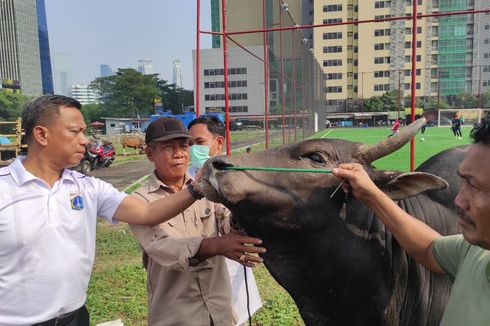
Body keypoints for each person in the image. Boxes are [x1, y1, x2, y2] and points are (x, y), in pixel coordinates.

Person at [0, 95, 202, 326]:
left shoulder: (87, 187)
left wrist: (198, 187)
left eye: (83, 131)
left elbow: (147, 213)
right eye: (75, 132)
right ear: (42, 134)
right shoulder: (3, 188)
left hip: (75, 318)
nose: (84, 140)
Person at [332, 115, 490, 326]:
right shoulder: (477, 252)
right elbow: (428, 247)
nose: (459, 201)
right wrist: (371, 193)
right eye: (463, 182)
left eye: (475, 186)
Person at [129, 117, 266, 326]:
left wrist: (239, 215)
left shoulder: (206, 189)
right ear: (150, 153)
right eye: (168, 148)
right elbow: (162, 247)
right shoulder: (140, 202)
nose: (179, 154)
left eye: (184, 146)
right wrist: (218, 245)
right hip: (177, 316)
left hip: (219, 312)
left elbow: (225, 219)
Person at [187, 115, 263, 325]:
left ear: (218, 142)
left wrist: (238, 220)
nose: (193, 149)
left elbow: (225, 218)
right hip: (191, 267)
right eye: (190, 144)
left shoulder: (238, 177)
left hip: (228, 265)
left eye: (199, 143)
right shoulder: (186, 181)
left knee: (231, 312)